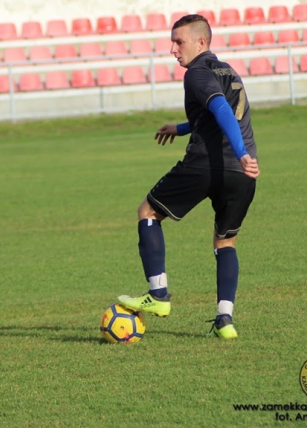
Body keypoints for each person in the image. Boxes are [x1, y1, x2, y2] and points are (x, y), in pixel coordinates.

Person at [117, 14, 260, 339]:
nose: (172, 49)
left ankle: (159, 295)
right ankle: (225, 320)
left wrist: (239, 153)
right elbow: (217, 114)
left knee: (147, 211)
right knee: (226, 241)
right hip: (243, 174)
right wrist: (181, 128)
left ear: (201, 42)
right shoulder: (227, 70)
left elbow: (222, 109)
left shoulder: (197, 72)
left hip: (210, 164)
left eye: (178, 41)